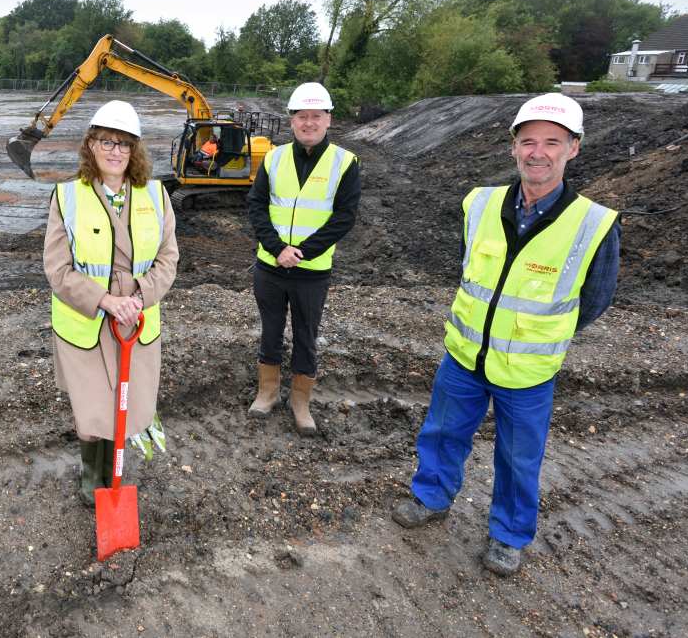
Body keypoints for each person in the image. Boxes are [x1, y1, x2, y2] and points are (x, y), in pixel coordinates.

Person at [390, 93, 620, 577]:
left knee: (518, 459)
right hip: (465, 355)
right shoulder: (480, 204)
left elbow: (594, 298)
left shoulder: (593, 224)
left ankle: (508, 535)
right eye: (528, 141)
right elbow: (466, 266)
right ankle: (431, 497)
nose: (538, 152)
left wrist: (539, 334)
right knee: (442, 434)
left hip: (529, 371)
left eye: (552, 142)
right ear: (513, 147)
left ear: (573, 149)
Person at [43, 100, 178, 504]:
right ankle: (91, 475)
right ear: (91, 145)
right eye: (107, 141)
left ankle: (114, 471)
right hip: (86, 322)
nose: (115, 151)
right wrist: (104, 300)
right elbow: (57, 267)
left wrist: (138, 297)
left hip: (134, 321)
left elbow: (169, 257)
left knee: (128, 404)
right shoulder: (67, 196)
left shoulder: (155, 195)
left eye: (124, 144)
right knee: (92, 409)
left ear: (134, 150)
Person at [245, 82, 360, 433]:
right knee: (271, 330)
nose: (309, 123)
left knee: (306, 336)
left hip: (312, 272)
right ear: (292, 121)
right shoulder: (275, 158)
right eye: (301, 117)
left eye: (316, 116)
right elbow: (256, 205)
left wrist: (303, 252)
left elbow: (344, 216)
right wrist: (278, 248)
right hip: (270, 266)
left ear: (328, 119)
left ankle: (300, 402)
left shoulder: (345, 163)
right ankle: (267, 393)